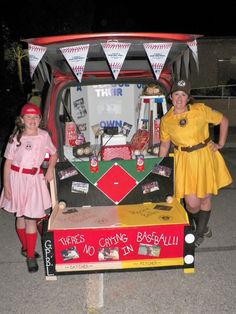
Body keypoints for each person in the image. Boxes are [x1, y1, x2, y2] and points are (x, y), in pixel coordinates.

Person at [158, 79, 232, 247]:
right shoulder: (166, 120)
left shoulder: (200, 110)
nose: (179, 98)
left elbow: (224, 121)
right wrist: (160, 168)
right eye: (176, 94)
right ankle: (202, 225)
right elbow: (164, 145)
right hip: (183, 160)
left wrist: (220, 144)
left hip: (204, 157)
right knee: (192, 204)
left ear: (188, 98)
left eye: (183, 95)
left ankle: (200, 231)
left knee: (205, 198)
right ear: (170, 97)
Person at [0, 103, 58, 273]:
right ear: (22, 119)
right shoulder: (16, 137)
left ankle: (30, 256)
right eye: (28, 117)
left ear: (40, 119)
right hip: (16, 179)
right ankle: (26, 247)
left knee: (31, 218)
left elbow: (54, 154)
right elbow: (7, 162)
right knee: (20, 216)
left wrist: (51, 170)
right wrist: (6, 185)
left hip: (34, 180)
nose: (32, 120)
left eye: (36, 117)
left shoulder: (44, 136)